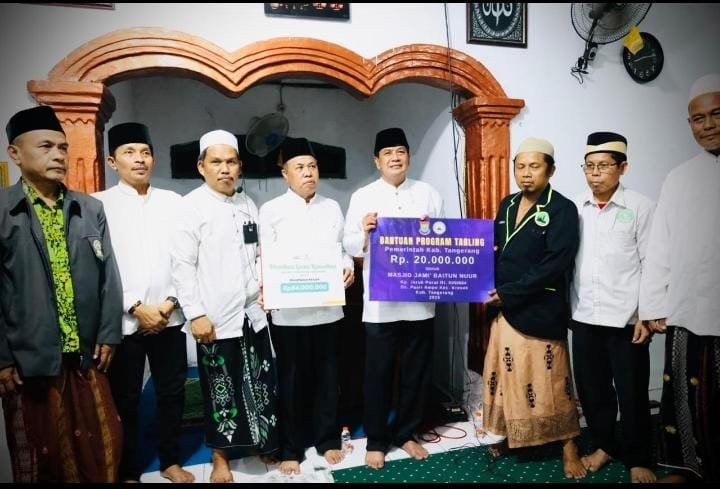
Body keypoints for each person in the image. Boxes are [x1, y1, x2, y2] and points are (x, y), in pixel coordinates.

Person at [0, 105, 123, 482]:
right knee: (44, 456)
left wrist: (108, 333)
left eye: (63, 147)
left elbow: (109, 276)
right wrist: (2, 358)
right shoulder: (4, 211)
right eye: (46, 146)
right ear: (15, 153)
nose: (58, 155)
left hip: (85, 354)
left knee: (101, 448)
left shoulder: (89, 208)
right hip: (29, 359)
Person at [170, 129, 278, 483]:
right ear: (201, 167)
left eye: (231, 162)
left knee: (260, 381)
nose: (225, 169)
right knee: (221, 390)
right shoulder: (190, 207)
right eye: (216, 162)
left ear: (240, 166)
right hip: (214, 317)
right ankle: (220, 456)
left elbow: (258, 255)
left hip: (252, 314)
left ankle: (262, 441)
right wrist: (196, 314)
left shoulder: (248, 204)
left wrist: (268, 288)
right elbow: (182, 266)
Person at [92, 122, 194, 483]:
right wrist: (135, 307)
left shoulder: (174, 202)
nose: (139, 159)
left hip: (169, 316)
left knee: (172, 393)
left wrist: (169, 303)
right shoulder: (98, 205)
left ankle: (170, 461)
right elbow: (100, 267)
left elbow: (186, 258)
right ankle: (129, 470)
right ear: (112, 161)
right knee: (127, 398)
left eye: (146, 152)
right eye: (130, 152)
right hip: (125, 320)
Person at [482, 137, 587, 479]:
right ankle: (515, 436)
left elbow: (555, 263)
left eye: (534, 166)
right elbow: (495, 250)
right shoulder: (507, 204)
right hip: (504, 308)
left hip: (540, 308)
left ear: (550, 170)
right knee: (509, 377)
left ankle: (569, 445)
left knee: (552, 382)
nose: (526, 173)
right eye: (520, 166)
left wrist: (509, 293)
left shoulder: (562, 208)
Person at [343, 127, 443, 470]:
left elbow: (446, 240)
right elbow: (350, 245)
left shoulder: (428, 194)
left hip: (420, 301)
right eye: (388, 153)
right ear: (377, 161)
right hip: (380, 305)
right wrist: (364, 230)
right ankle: (376, 440)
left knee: (416, 372)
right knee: (378, 374)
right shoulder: (363, 196)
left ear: (409, 157)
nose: (395, 158)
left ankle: (406, 433)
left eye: (401, 151)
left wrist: (432, 230)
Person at [640, 73, 720, 483]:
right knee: (688, 397)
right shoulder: (679, 177)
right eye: (698, 119)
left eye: (716, 114)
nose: (708, 125)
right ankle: (688, 467)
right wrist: (654, 305)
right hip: (688, 309)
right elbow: (661, 247)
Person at [258, 136, 355, 475]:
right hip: (288, 314)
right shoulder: (271, 210)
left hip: (328, 310)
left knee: (328, 378)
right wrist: (265, 286)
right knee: (291, 382)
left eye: (312, 166)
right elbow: (264, 257)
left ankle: (327, 440)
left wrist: (347, 267)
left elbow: (341, 249)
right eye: (299, 167)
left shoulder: (332, 207)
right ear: (285, 173)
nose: (308, 173)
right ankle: (291, 447)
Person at [570, 132, 656, 483]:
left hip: (627, 318)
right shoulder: (575, 208)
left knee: (632, 392)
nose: (595, 174)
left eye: (604, 166)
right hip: (584, 315)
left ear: (623, 167)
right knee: (593, 391)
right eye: (589, 166)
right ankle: (605, 445)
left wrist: (647, 315)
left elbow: (652, 262)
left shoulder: (640, 207)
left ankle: (638, 457)